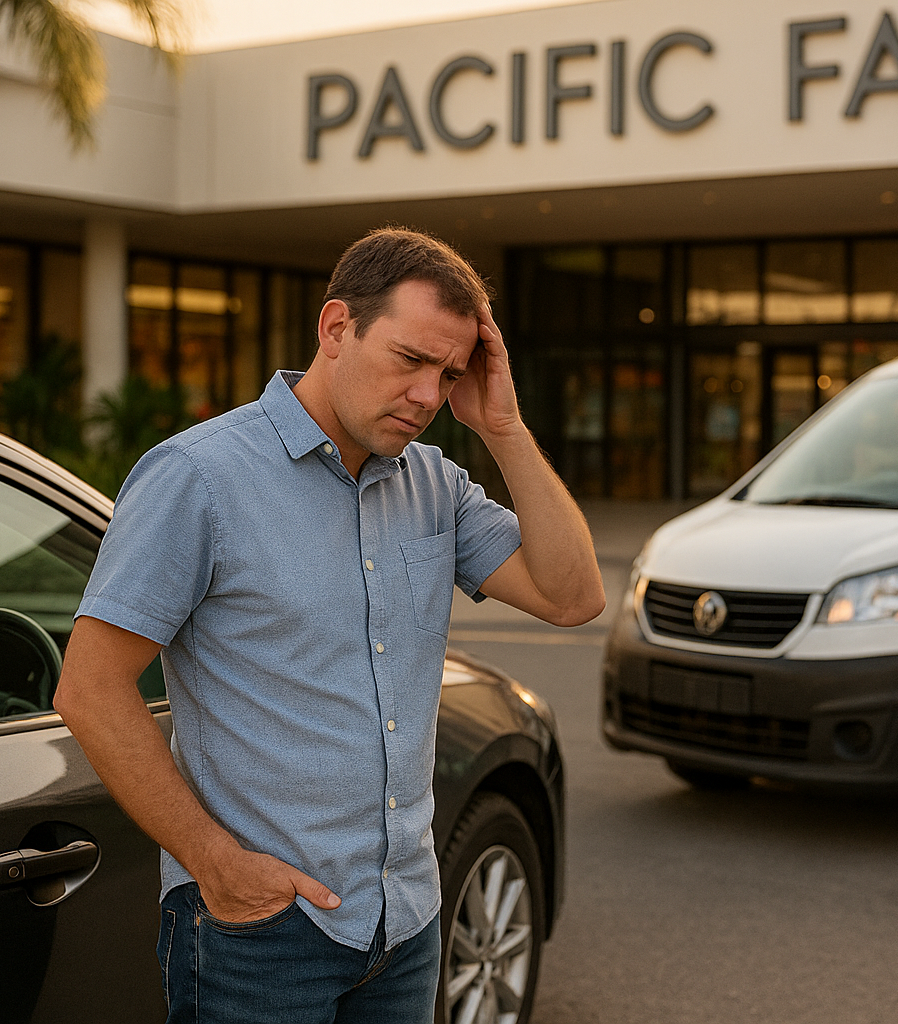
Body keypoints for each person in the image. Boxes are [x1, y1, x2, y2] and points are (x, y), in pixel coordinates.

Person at [53, 226, 604, 1024]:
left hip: (404, 920)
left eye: (449, 374)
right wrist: (217, 865)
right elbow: (91, 689)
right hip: (261, 931)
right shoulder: (199, 477)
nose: (427, 395)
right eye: (411, 359)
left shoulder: (435, 485)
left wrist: (504, 430)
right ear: (336, 328)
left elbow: (571, 596)